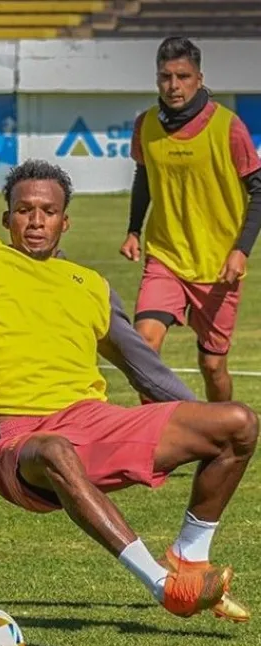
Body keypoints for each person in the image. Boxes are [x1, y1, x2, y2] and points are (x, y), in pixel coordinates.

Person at [0, 90, 256, 623]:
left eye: (48, 212)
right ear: (6, 217)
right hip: (22, 445)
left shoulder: (91, 286)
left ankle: (188, 558)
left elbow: (147, 371)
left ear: (65, 222)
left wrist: (202, 423)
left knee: (237, 422)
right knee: (54, 448)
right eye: (25, 211)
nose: (35, 220)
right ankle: (164, 585)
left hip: (93, 424)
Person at [120, 36, 261, 402]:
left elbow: (259, 190)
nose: (173, 85)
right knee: (145, 350)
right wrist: (134, 230)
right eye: (166, 76)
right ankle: (157, 448)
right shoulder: (145, 125)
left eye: (182, 76)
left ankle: (227, 438)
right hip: (165, 256)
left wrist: (241, 250)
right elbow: (144, 177)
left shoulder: (228, 127)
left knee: (213, 367)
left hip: (217, 266)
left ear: (199, 78)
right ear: (156, 79)